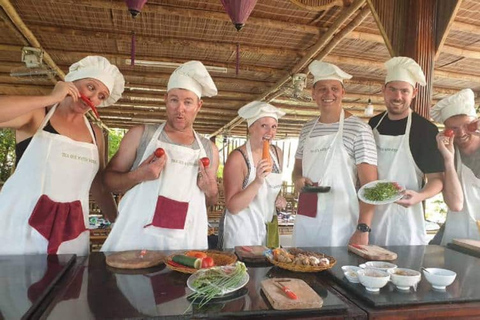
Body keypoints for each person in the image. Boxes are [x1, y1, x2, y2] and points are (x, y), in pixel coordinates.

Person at [0, 56, 125, 255]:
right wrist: (51, 99)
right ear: (71, 82)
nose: (93, 98)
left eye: (101, 96)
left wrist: (119, 226)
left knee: (69, 283)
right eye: (90, 87)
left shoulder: (95, 134)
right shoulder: (38, 115)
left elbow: (99, 187)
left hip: (71, 231)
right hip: (20, 226)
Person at [101, 60, 220, 251]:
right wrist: (138, 175)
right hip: (137, 241)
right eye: (174, 100)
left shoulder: (209, 149)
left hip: (186, 242)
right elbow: (108, 181)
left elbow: (210, 201)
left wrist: (211, 190)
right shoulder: (141, 135)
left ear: (199, 105)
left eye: (188, 102)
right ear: (165, 99)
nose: (180, 108)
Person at [292, 61, 378, 247]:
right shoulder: (307, 129)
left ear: (343, 93)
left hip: (341, 222)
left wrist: (363, 228)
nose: (328, 94)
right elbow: (297, 169)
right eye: (322, 89)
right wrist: (298, 179)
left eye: (334, 88)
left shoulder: (359, 129)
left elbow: (370, 186)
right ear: (313, 94)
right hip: (307, 216)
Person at [368, 56, 444, 246]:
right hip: (370, 218)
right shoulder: (372, 125)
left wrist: (419, 196)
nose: (397, 96)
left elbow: (437, 180)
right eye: (392, 89)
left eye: (404, 91)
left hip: (405, 223)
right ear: (383, 90)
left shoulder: (425, 129)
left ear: (414, 93)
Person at [218, 101, 286, 249]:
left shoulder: (277, 154)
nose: (270, 132)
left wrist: (279, 198)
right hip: (241, 231)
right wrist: (257, 182)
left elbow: (272, 189)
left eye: (274, 126)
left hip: (267, 229)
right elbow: (233, 207)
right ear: (251, 128)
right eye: (264, 126)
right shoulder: (238, 158)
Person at [430, 88, 480, 245]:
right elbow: (455, 204)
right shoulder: (445, 153)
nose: (462, 133)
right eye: (454, 128)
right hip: (458, 234)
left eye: (467, 125)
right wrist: (449, 160)